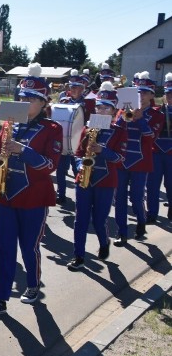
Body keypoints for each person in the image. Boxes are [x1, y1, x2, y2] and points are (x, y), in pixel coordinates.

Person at [0, 65, 63, 319]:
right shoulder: (9, 125)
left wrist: (23, 150)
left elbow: (50, 165)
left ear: (42, 103)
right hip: (5, 196)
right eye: (23, 97)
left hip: (34, 198)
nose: (25, 102)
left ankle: (33, 284)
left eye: (31, 99)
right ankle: (0, 299)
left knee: (30, 247)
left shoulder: (52, 129)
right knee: (3, 249)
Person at [67, 93, 126, 270]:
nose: (101, 110)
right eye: (99, 107)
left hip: (106, 181)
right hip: (84, 179)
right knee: (80, 220)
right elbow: (77, 153)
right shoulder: (87, 128)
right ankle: (79, 256)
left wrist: (102, 150)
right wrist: (79, 166)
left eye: (106, 107)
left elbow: (121, 158)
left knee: (99, 220)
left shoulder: (119, 131)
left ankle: (104, 242)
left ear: (113, 111)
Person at [113, 72, 163, 245]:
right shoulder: (122, 110)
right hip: (121, 160)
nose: (140, 96)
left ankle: (141, 220)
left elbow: (151, 137)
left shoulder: (158, 116)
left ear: (151, 95)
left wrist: (141, 119)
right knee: (118, 197)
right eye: (137, 92)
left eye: (144, 92)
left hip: (141, 162)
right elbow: (115, 132)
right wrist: (122, 118)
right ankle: (122, 232)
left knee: (136, 198)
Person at [54, 69, 96, 205]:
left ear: (83, 88)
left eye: (77, 87)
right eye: (72, 87)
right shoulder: (64, 100)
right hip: (65, 139)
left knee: (78, 168)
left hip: (81, 139)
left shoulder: (89, 102)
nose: (74, 89)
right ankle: (61, 194)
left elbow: (92, 120)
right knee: (61, 169)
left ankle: (82, 194)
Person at [146, 73, 172, 223]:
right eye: (168, 94)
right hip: (156, 151)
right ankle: (152, 213)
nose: (170, 97)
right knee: (152, 185)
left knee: (171, 185)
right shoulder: (156, 111)